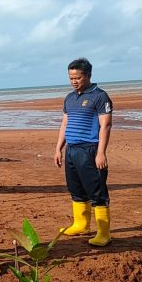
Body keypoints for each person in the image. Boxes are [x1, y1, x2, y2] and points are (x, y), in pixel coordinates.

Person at [54, 58, 113, 246]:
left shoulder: (100, 96)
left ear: (88, 75)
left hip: (90, 149)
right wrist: (58, 149)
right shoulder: (69, 98)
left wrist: (101, 153)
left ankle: (104, 233)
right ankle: (81, 224)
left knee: (97, 191)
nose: (74, 81)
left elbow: (106, 125)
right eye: (71, 78)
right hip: (71, 149)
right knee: (76, 189)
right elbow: (65, 124)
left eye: (77, 77)